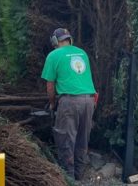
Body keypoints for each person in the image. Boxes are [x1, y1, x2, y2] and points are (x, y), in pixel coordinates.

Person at [41, 28, 96, 180]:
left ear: (54, 41)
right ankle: (79, 176)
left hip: (70, 101)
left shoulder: (53, 55)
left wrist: (52, 104)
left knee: (66, 139)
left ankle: (68, 179)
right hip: (89, 100)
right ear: (69, 39)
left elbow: (50, 85)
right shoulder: (82, 53)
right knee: (82, 139)